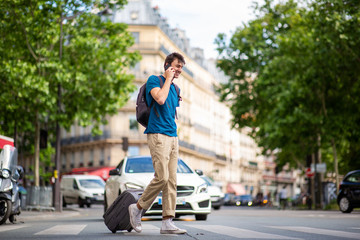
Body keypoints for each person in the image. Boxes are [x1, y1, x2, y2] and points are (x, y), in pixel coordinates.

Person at [128, 52, 186, 234]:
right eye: (177, 66)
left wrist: (172, 85)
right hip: (157, 134)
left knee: (172, 181)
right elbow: (160, 99)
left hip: (172, 136)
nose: (179, 71)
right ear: (168, 64)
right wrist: (168, 79)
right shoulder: (154, 80)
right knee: (162, 177)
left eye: (181, 68)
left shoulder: (176, 89)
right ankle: (137, 208)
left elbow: (170, 110)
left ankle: (167, 222)